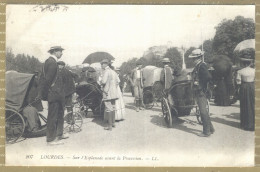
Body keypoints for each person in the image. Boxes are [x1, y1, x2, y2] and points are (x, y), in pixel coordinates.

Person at [37, 46, 68, 145]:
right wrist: (47, 94)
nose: (61, 53)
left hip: (57, 94)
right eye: (60, 51)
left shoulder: (49, 62)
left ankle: (59, 134)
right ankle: (50, 139)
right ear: (54, 52)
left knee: (59, 114)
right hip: (54, 94)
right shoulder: (52, 63)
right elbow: (47, 81)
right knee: (53, 116)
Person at [189, 49, 215, 137]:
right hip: (200, 91)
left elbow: (208, 77)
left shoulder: (201, 65)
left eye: (193, 58)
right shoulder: (199, 65)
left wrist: (199, 83)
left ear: (198, 58)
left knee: (202, 111)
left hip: (201, 91)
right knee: (203, 110)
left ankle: (206, 132)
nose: (192, 60)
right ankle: (211, 128)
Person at [236, 58, 255, 131]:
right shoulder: (254, 71)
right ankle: (253, 123)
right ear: (250, 63)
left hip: (244, 87)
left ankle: (245, 123)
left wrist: (237, 90)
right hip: (252, 87)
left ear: (243, 63)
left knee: (244, 104)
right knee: (252, 104)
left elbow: (238, 82)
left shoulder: (240, 71)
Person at [100, 59, 119, 130]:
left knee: (108, 108)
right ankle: (113, 123)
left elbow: (104, 81)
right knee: (113, 107)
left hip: (107, 92)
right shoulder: (113, 71)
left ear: (105, 64)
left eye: (102, 64)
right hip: (114, 92)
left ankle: (109, 126)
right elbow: (117, 82)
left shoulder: (106, 71)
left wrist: (100, 82)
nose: (101, 65)